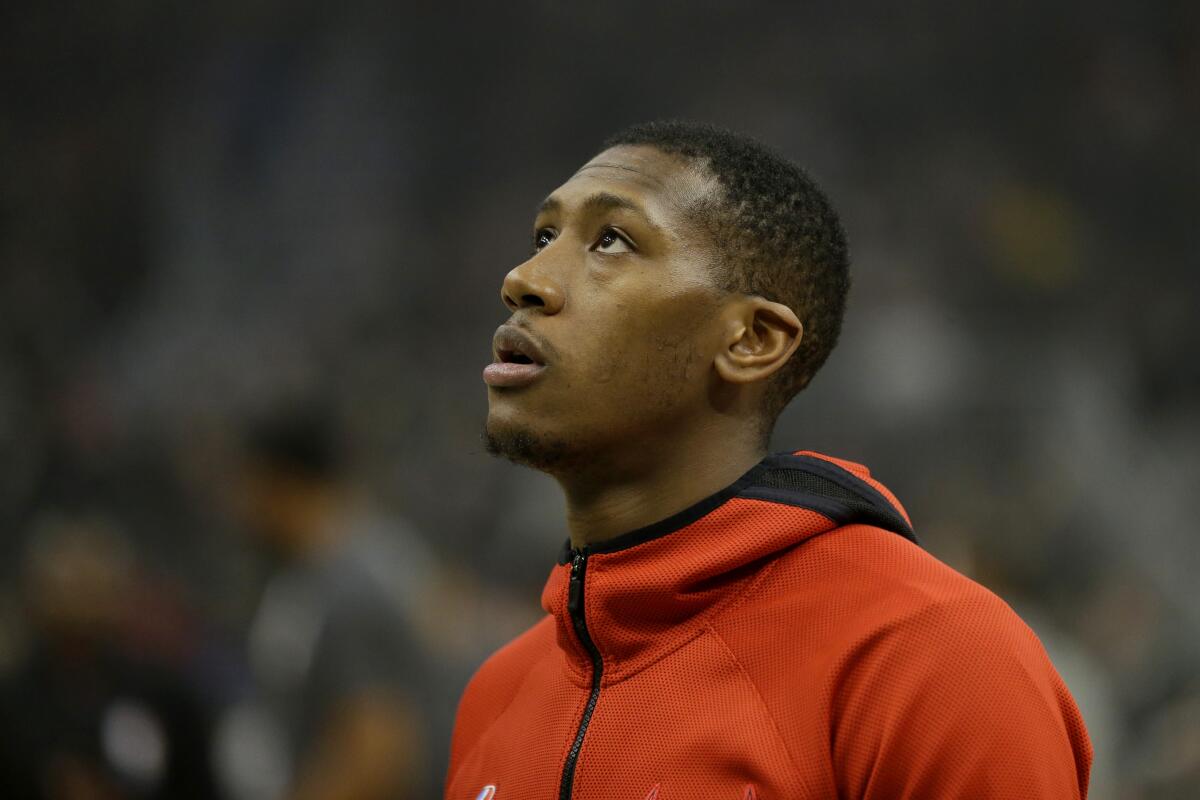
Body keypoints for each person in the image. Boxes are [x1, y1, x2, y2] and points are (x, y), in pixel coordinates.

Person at [445, 121, 1092, 799]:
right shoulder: (497, 695)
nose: (524, 280)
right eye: (544, 238)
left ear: (752, 339)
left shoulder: (929, 660)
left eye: (612, 241)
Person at [226, 409, 432, 799]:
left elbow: (378, 751)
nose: (237, 504)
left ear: (278, 481)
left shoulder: (351, 584)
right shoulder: (307, 575)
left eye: (245, 483)